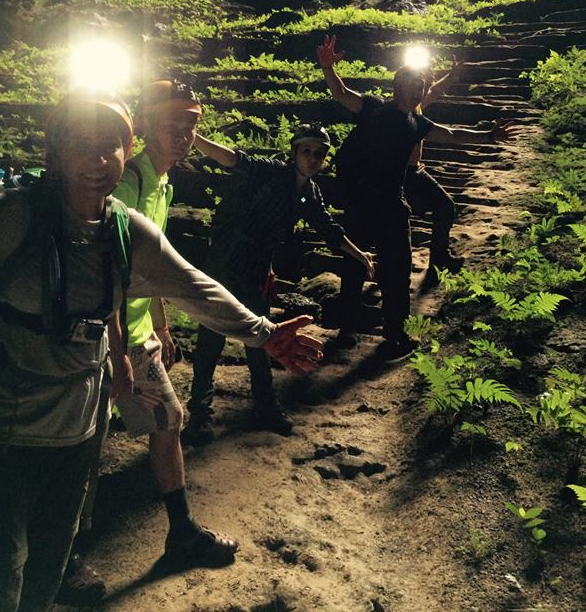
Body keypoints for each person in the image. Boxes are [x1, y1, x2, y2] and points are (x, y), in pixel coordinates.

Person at [0, 91, 322, 612]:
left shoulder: (124, 226)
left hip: (75, 431)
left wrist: (264, 333)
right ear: (55, 153)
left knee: (49, 561)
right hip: (2, 432)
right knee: (2, 569)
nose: (97, 161)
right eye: (80, 146)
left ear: (126, 151)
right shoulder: (12, 218)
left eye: (109, 146)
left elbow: (192, 286)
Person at [58, 79, 205, 604]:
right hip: (104, 338)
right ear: (144, 126)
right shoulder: (127, 182)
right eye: (171, 123)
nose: (182, 134)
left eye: (189, 125)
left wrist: (161, 323)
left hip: (137, 335)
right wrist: (117, 354)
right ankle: (65, 555)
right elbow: (104, 277)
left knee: (168, 420)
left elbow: (148, 267)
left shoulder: (163, 184)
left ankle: (181, 531)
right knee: (84, 443)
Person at [317, 34, 516, 362]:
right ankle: (347, 330)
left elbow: (451, 135)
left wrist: (489, 136)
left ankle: (395, 335)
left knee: (398, 270)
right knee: (354, 266)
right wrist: (328, 68)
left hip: (393, 205)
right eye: (412, 85)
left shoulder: (417, 122)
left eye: (421, 86)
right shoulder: (373, 108)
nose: (417, 91)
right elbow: (341, 93)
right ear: (397, 86)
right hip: (361, 203)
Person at [183, 123, 374, 445]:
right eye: (306, 151)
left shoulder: (310, 193)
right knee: (211, 337)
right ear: (295, 153)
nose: (312, 158)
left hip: (257, 267)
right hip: (226, 261)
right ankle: (199, 416)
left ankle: (265, 406)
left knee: (262, 337)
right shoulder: (270, 171)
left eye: (319, 153)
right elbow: (233, 159)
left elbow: (328, 228)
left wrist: (360, 255)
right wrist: (193, 137)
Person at [403, 56, 467, 285]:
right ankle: (436, 259)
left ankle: (439, 258)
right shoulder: (399, 110)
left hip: (415, 170)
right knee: (444, 206)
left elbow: (434, 92)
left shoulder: (415, 104)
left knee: (444, 206)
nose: (421, 90)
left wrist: (451, 75)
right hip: (403, 173)